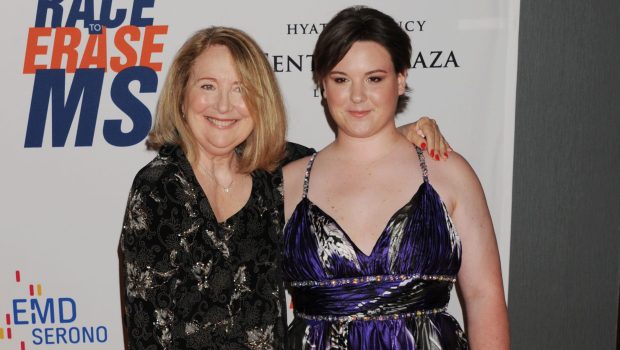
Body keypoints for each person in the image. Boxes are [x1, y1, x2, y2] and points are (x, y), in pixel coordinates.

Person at [119, 26, 450, 349]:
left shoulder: (278, 173)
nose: (223, 106)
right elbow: (146, 329)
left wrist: (397, 134)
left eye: (240, 89)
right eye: (208, 86)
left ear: (259, 100)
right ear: (181, 94)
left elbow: (346, 160)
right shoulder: (157, 188)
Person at [283, 6, 510, 349]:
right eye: (341, 79)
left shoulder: (449, 173)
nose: (358, 96)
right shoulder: (287, 183)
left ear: (401, 79)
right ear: (323, 85)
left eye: (374, 78)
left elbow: (484, 296)